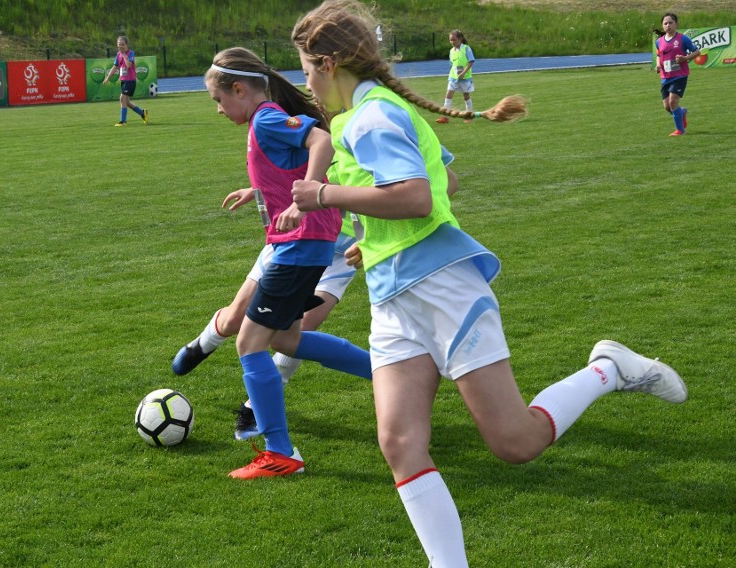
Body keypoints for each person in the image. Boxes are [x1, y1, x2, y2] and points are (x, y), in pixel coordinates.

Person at [290, 1, 688, 566]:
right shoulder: (366, 114)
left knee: (516, 443)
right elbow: (443, 176)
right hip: (393, 296)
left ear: (328, 63)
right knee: (400, 443)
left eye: (305, 69)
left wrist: (325, 195)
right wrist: (373, 234)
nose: (305, 83)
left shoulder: (371, 116)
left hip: (441, 288)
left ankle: (608, 369)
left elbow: (419, 195)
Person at [174, 161, 460, 441]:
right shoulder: (318, 128)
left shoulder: (380, 127)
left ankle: (255, 407)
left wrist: (381, 232)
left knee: (298, 331)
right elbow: (294, 167)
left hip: (344, 250)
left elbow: (444, 182)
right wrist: (259, 189)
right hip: (297, 236)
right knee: (236, 318)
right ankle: (204, 344)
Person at [203, 46, 374, 479]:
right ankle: (389, 371)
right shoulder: (265, 120)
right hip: (302, 245)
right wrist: (256, 191)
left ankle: (281, 453)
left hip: (299, 245)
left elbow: (322, 139)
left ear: (239, 89)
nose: (219, 110)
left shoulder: (266, 117)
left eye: (218, 100)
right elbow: (286, 165)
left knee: (249, 342)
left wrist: (310, 191)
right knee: (286, 340)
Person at [653, 13, 700, 137]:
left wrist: (685, 58)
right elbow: (659, 55)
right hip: (665, 77)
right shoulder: (659, 41)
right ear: (662, 26)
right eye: (665, 23)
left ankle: (680, 130)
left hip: (680, 76)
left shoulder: (683, 39)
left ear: (676, 24)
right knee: (668, 107)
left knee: (673, 102)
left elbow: (697, 52)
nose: (668, 25)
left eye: (670, 22)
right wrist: (658, 65)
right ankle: (682, 112)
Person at [103, 35, 149, 126]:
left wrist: (124, 55)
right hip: (123, 81)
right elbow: (115, 67)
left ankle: (123, 121)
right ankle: (143, 113)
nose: (121, 46)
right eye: (119, 44)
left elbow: (128, 65)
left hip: (130, 80)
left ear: (126, 45)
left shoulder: (131, 53)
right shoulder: (118, 54)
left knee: (122, 98)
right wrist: (107, 78)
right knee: (126, 102)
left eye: (122, 44)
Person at [436, 29, 475, 125]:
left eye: (454, 39)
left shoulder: (466, 48)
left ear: (460, 39)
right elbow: (452, 64)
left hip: (465, 78)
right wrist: (454, 74)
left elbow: (471, 62)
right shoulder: (451, 51)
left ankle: (469, 115)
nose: (452, 42)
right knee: (448, 95)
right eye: (450, 40)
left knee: (466, 96)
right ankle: (445, 117)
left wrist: (463, 73)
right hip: (453, 77)